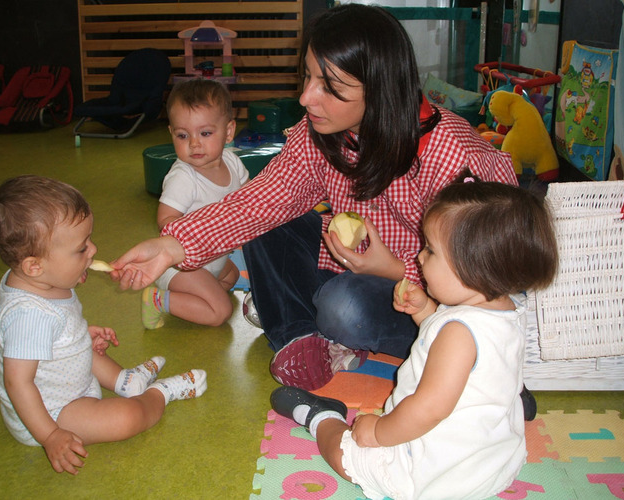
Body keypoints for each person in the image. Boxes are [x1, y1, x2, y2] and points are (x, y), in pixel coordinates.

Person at [109, 4, 517, 392]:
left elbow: (482, 279)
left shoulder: (449, 154)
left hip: (427, 294)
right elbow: (263, 199)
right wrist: (172, 244)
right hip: (354, 264)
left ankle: (313, 319)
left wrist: (391, 269)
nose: (306, 98)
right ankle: (299, 335)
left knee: (344, 308)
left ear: (379, 89)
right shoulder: (320, 132)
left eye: (330, 87)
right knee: (267, 223)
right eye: (308, 77)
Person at [270, 176, 559, 500]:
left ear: (473, 268)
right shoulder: (507, 311)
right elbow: (470, 355)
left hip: (432, 474)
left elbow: (428, 409)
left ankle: (319, 416)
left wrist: (377, 432)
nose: (419, 258)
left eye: (431, 251)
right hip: (489, 464)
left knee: (344, 455)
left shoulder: (458, 333)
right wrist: (425, 311)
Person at [0, 175, 207, 475]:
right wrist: (50, 435)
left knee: (94, 355)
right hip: (53, 413)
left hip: (65, 378)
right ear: (34, 265)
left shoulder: (40, 280)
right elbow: (18, 382)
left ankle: (127, 382)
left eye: (89, 240)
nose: (92, 250)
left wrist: (75, 337)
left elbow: (50, 333)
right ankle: (159, 394)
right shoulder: (29, 316)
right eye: (81, 249)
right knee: (127, 419)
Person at [142, 79, 249, 329]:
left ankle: (195, 298)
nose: (194, 143)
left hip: (215, 260)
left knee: (232, 278)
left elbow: (248, 199)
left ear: (229, 132)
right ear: (172, 133)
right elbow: (165, 222)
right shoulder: (183, 177)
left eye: (205, 133)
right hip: (181, 267)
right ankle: (158, 299)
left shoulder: (232, 163)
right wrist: (211, 230)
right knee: (219, 312)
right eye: (182, 135)